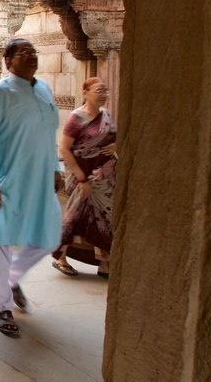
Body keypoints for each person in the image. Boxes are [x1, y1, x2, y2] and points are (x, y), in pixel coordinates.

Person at [0, 38, 62, 336]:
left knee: (49, 236)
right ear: (8, 61)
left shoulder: (44, 89)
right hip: (7, 178)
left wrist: (55, 167)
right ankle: (2, 306)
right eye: (24, 53)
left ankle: (12, 278)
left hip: (39, 178)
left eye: (33, 52)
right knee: (1, 242)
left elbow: (50, 133)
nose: (31, 57)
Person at [52, 77, 117, 279]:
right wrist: (82, 179)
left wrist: (116, 146)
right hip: (83, 175)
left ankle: (105, 263)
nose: (103, 94)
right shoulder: (76, 118)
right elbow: (64, 148)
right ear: (85, 92)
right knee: (74, 217)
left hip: (105, 176)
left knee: (106, 219)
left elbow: (114, 138)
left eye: (105, 90)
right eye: (98, 90)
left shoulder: (106, 115)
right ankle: (59, 257)